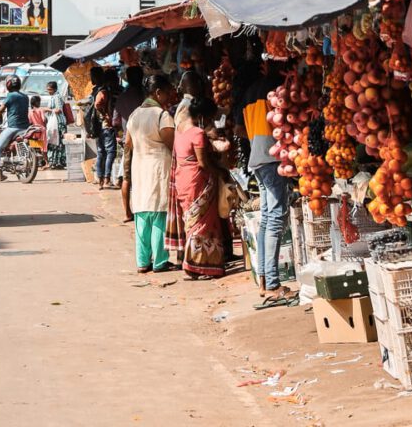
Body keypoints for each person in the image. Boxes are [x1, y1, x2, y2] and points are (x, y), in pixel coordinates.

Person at [238, 61, 291, 302]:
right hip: (272, 159)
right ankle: (272, 282)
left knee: (268, 219)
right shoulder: (274, 88)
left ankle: (264, 280)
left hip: (257, 159)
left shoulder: (249, 93)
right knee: (275, 218)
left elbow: (240, 129)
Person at [166, 92, 225, 279]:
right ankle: (201, 265)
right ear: (201, 116)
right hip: (197, 181)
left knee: (191, 222)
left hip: (182, 180)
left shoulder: (180, 129)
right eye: (209, 118)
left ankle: (192, 264)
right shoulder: (197, 133)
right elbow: (203, 163)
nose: (209, 122)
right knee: (202, 224)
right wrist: (220, 173)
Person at [125, 74, 175, 273]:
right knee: (159, 212)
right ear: (158, 93)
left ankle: (142, 261)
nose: (170, 96)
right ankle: (160, 261)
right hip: (158, 167)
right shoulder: (162, 115)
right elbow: (172, 144)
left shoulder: (134, 115)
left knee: (142, 213)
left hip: (139, 167)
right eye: (167, 92)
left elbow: (128, 143)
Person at [0, 76, 30, 184]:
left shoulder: (11, 96)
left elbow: (1, 110)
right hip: (25, 127)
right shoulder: (25, 97)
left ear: (8, 85)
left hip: (13, 127)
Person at [114, 65, 146, 218]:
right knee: (145, 175)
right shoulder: (146, 95)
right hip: (147, 140)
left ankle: (127, 212)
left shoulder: (122, 97)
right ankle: (144, 208)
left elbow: (115, 121)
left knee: (127, 177)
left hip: (129, 140)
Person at [94, 71, 119, 190]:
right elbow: (97, 104)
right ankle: (106, 179)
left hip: (102, 127)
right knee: (110, 152)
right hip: (106, 126)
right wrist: (105, 115)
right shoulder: (105, 92)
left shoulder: (102, 90)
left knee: (102, 152)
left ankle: (100, 179)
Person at [46, 81, 67, 169]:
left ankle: (59, 162)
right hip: (53, 123)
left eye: (50, 90)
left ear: (54, 89)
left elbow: (58, 110)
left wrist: (48, 110)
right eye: (47, 90)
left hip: (59, 123)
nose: (48, 91)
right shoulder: (52, 97)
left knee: (59, 143)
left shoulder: (57, 97)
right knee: (53, 142)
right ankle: (54, 162)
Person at [28, 95, 48, 166]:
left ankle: (35, 163)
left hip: (34, 131)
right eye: (39, 102)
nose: (40, 103)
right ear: (36, 102)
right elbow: (44, 119)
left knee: (35, 146)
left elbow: (30, 122)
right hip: (42, 130)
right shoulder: (40, 110)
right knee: (43, 147)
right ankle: (47, 163)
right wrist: (45, 123)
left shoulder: (30, 111)